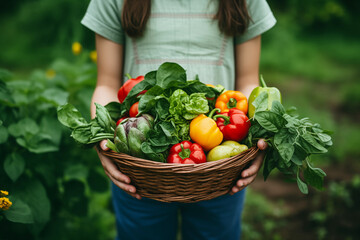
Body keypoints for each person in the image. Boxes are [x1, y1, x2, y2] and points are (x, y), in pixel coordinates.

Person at [81, 0, 275, 239]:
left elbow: (248, 81)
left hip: (221, 173)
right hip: (139, 167)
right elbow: (106, 84)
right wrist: (102, 141)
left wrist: (256, 142)